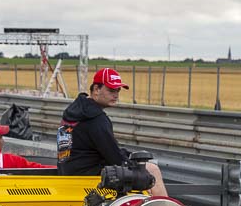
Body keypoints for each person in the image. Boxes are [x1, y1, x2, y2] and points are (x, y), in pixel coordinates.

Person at [57, 68, 168, 196]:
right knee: (151, 170)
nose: (115, 95)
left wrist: (126, 155)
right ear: (96, 89)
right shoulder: (96, 119)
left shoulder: (74, 111)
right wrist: (136, 166)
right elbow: (115, 158)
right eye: (111, 90)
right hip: (89, 176)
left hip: (67, 172)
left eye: (118, 90)